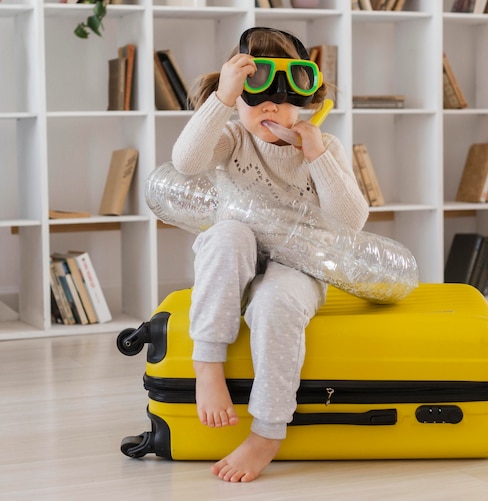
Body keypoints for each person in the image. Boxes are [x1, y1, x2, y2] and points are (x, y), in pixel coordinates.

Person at [171, 27, 369, 482]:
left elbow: (351, 221)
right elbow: (186, 161)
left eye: (281, 101)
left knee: (276, 302)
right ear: (237, 100)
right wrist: (221, 100)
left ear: (302, 102)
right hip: (233, 258)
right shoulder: (230, 138)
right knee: (228, 234)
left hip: (296, 265)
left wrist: (317, 153)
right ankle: (208, 366)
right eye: (253, 98)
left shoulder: (324, 147)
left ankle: (268, 430)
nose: (269, 109)